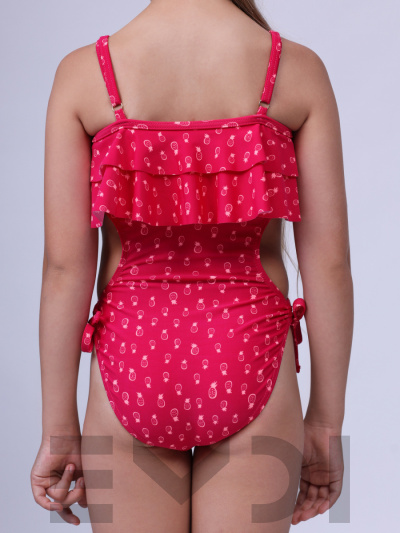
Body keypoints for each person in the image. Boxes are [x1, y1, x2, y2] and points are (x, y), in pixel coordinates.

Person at [30, 0, 353, 531]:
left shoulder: (85, 74)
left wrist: (58, 431)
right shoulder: (294, 70)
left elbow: (65, 271)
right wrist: (325, 423)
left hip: (131, 360)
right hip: (251, 354)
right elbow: (331, 266)